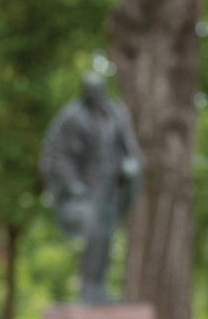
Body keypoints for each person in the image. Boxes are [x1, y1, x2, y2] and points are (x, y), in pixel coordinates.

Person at [40, 72, 143, 305]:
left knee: (107, 236)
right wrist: (71, 184)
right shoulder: (71, 117)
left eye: (98, 92)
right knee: (92, 236)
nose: (95, 97)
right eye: (90, 92)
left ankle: (101, 288)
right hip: (88, 187)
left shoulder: (117, 114)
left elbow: (130, 148)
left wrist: (131, 165)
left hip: (112, 186)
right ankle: (88, 288)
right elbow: (55, 153)